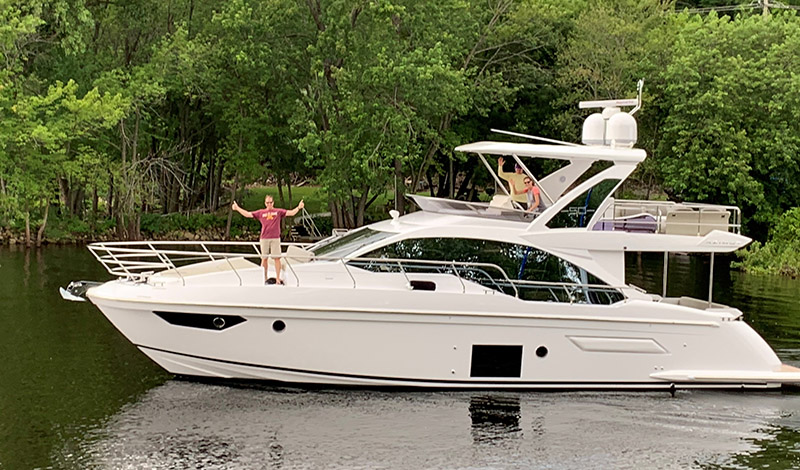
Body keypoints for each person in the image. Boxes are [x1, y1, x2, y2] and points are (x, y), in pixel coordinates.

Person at [232, 196, 304, 285]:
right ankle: (264, 277)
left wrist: (298, 207)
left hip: (275, 238)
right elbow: (248, 214)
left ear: (273, 203)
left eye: (270, 202)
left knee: (277, 258)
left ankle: (278, 278)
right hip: (264, 238)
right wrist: (237, 208)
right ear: (265, 203)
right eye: (267, 203)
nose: (269, 204)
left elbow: (291, 213)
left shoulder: (278, 212)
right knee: (264, 258)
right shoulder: (261, 212)